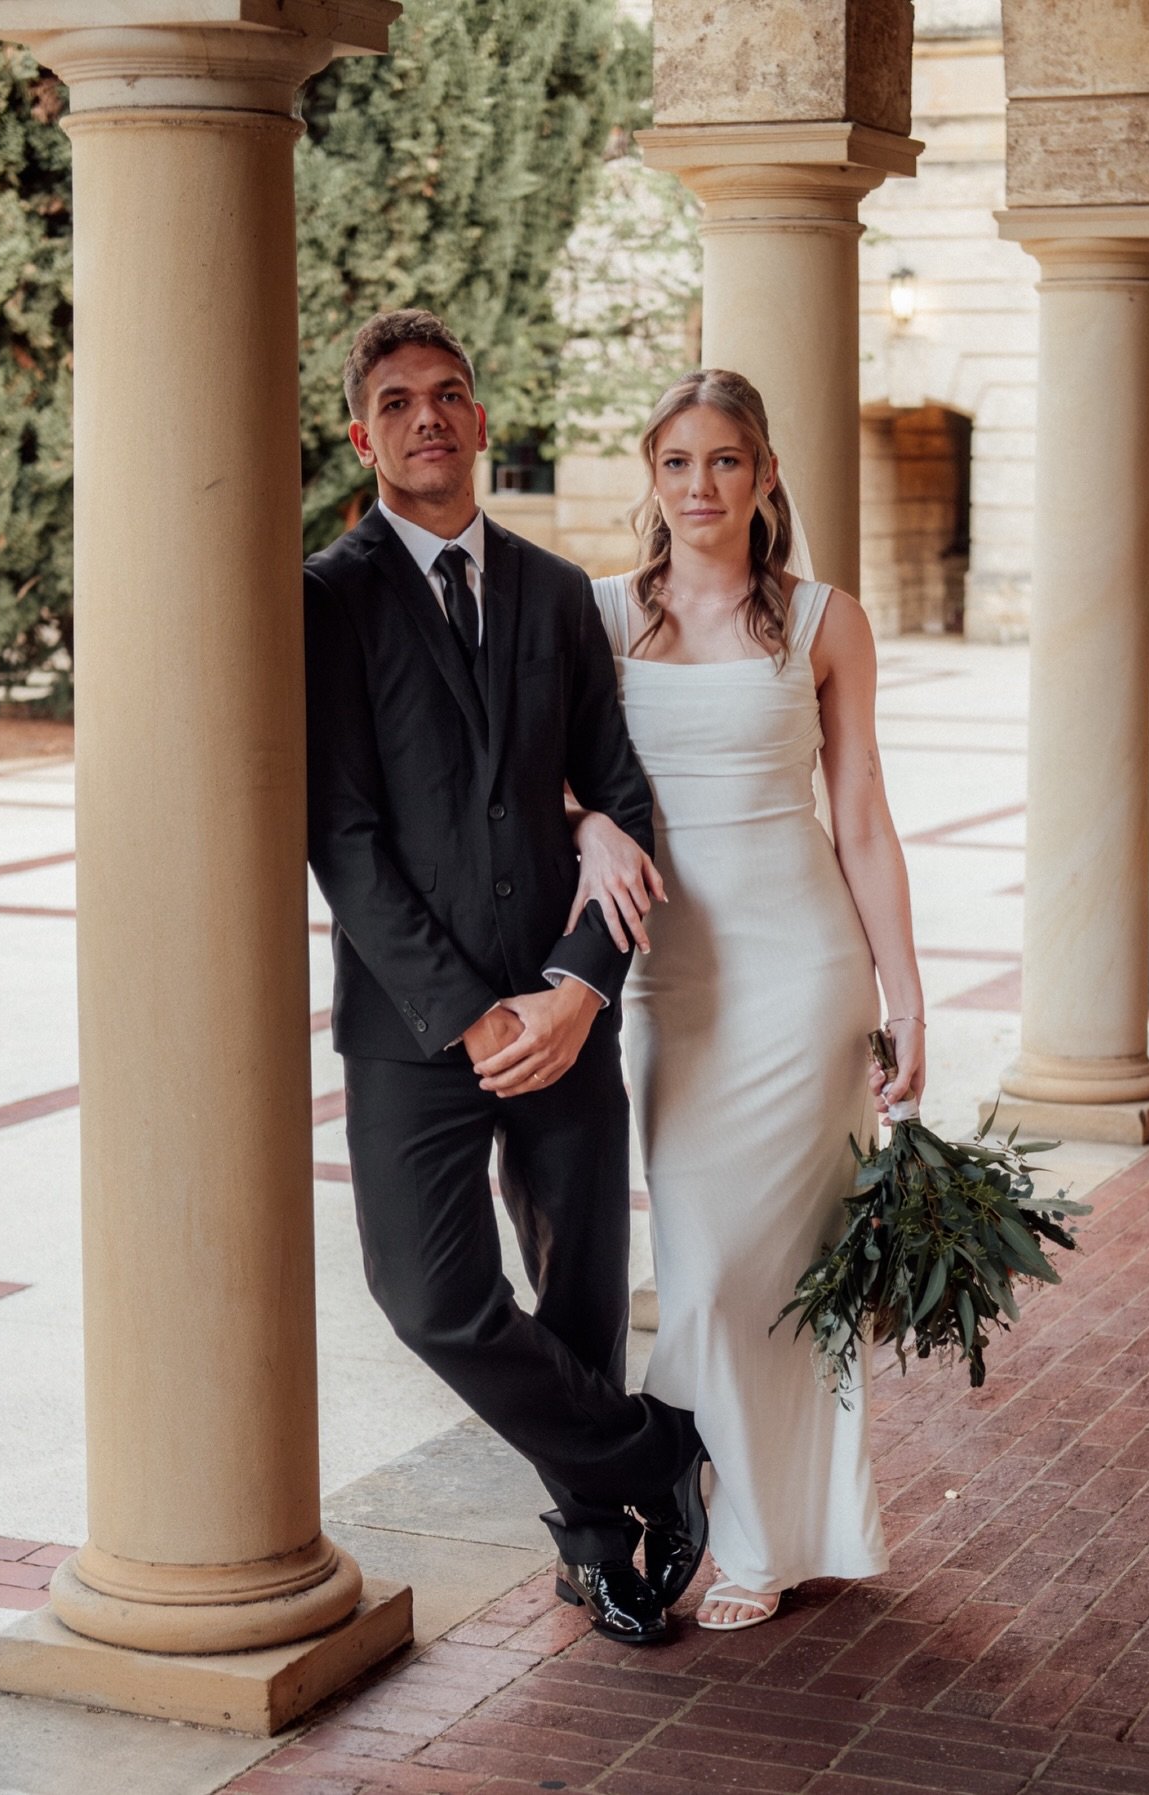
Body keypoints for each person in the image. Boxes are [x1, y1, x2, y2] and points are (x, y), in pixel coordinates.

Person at [303, 310, 706, 1646]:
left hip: (566, 1002)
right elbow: (345, 837)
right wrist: (475, 1014)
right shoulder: (326, 598)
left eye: (451, 393)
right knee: (432, 1296)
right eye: (400, 400)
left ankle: (596, 1545)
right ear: (362, 437)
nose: (430, 415)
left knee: (581, 1284)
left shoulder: (552, 587)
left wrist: (580, 984)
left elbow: (622, 793)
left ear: (481, 420)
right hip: (417, 1024)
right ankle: (653, 1452)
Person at [571, 368, 927, 1631]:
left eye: (727, 462)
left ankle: (777, 1537)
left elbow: (865, 817)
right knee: (712, 1271)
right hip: (680, 978)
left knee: (798, 1269)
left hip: (807, 973)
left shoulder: (827, 621)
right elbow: (540, 773)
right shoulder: (603, 615)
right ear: (651, 479)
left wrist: (907, 994)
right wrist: (591, 827)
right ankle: (722, 1500)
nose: (702, 486)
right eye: (679, 464)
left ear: (766, 476)